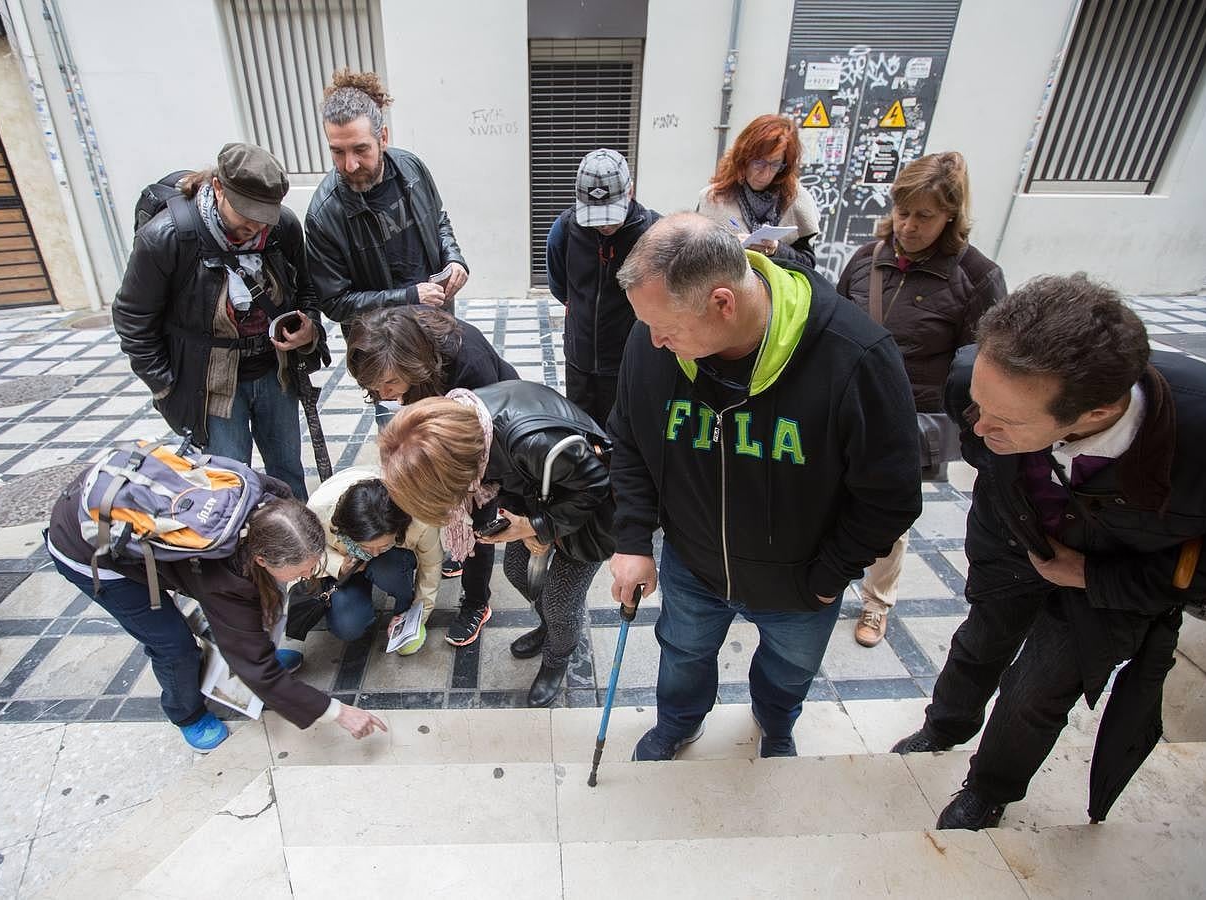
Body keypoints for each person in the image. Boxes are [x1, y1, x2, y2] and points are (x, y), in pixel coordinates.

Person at [889, 274, 1206, 830]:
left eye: (1006, 421)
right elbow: (984, 446)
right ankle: (945, 725)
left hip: (1114, 578)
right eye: (978, 405)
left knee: (1038, 689)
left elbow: (1201, 578)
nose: (980, 427)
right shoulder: (977, 375)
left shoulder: (1200, 438)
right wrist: (1001, 435)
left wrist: (1090, 575)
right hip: (1012, 541)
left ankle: (990, 789)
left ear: (1095, 414)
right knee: (979, 642)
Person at [610, 213, 921, 759]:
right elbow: (629, 440)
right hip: (693, 564)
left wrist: (828, 577)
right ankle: (679, 723)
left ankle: (776, 725)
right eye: (647, 326)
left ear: (722, 303)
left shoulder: (856, 355)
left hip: (801, 581)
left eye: (668, 329)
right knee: (681, 653)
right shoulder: (651, 336)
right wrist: (634, 540)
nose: (653, 342)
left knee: (788, 669)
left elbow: (891, 495)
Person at [46, 468, 386, 752]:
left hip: (139, 513)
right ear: (261, 559)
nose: (308, 576)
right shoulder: (221, 579)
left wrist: (258, 654)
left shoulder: (275, 499)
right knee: (172, 643)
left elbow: (266, 602)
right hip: (90, 545)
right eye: (301, 571)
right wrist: (337, 712)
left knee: (260, 616)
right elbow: (256, 668)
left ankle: (254, 656)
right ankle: (186, 713)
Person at [837, 151, 1007, 647]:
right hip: (846, 408)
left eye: (924, 216)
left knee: (890, 510)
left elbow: (985, 366)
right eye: (902, 211)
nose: (908, 226)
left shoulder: (976, 276)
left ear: (950, 215)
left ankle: (876, 601)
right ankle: (820, 577)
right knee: (830, 492)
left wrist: (969, 429)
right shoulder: (867, 259)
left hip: (916, 417)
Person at [113, 142, 327, 501]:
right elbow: (132, 320)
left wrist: (309, 329)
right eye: (246, 212)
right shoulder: (166, 238)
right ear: (217, 188)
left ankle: (298, 547)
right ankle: (234, 551)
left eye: (265, 214)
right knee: (227, 482)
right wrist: (167, 385)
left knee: (288, 472)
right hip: (210, 386)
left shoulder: (282, 227)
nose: (255, 224)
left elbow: (307, 289)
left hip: (275, 375)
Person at [379, 381, 614, 706]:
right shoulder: (469, 427)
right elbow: (510, 477)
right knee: (518, 571)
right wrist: (523, 524)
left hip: (588, 514)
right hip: (539, 497)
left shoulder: (531, 441)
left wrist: (538, 527)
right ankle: (548, 628)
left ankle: (557, 658)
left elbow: (597, 485)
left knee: (562, 604)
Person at [345, 305, 518, 646]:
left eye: (390, 383)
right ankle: (455, 549)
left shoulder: (468, 360)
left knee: (476, 516)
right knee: (437, 504)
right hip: (437, 427)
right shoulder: (388, 341)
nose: (384, 395)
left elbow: (479, 448)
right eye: (374, 387)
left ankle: (476, 602)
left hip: (486, 433)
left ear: (413, 362)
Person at [304, 69, 468, 325]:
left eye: (361, 149)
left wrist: (454, 259)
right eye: (337, 152)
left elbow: (438, 221)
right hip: (381, 347)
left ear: (383, 138)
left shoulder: (411, 168)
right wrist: (409, 297)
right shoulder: (324, 215)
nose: (350, 165)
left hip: (437, 322)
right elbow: (335, 304)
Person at [546, 148, 661, 427]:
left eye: (611, 215)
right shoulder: (565, 229)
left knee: (625, 435)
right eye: (596, 216)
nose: (605, 225)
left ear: (630, 191)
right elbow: (561, 287)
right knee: (580, 434)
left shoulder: (654, 234)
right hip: (579, 359)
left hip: (630, 361)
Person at [292, 466, 442, 654]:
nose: (375, 553)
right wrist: (338, 565)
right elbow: (306, 551)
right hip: (344, 561)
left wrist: (418, 614)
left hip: (393, 559)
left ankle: (402, 605)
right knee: (348, 626)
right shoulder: (318, 511)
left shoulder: (419, 519)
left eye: (383, 545)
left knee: (388, 567)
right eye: (367, 547)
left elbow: (431, 566)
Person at [695, 114, 820, 267]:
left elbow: (808, 263)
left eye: (775, 165)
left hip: (775, 288)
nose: (766, 174)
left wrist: (776, 249)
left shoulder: (796, 199)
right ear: (743, 158)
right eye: (759, 163)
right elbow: (694, 254)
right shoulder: (713, 198)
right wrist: (730, 246)